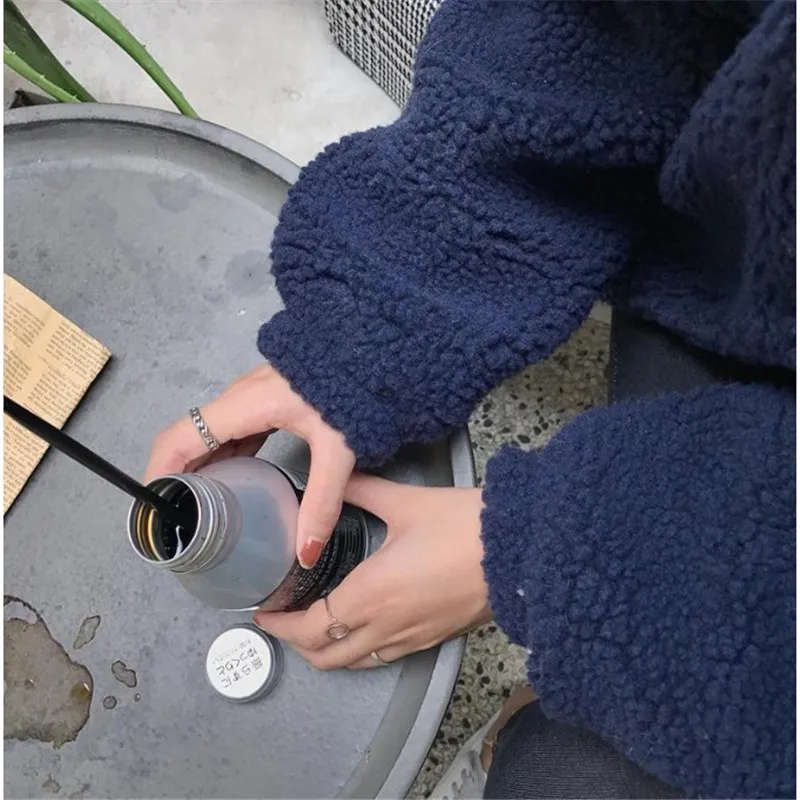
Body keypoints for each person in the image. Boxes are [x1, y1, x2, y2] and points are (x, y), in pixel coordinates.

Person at [145, 1, 795, 797]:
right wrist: (378, 316)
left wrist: (552, 551)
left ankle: (532, 724)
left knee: (554, 777)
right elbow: (597, 30)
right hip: (752, 276)